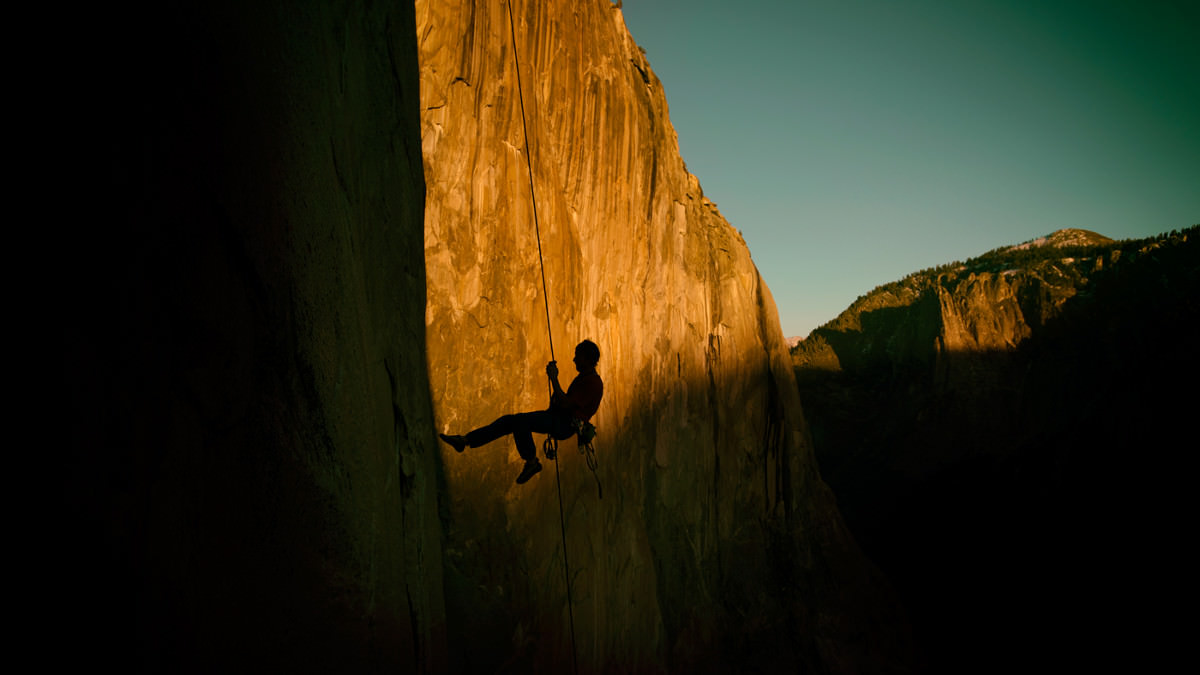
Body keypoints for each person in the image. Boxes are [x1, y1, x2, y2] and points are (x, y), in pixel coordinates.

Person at [440, 340, 603, 484]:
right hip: (559, 419)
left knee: (520, 422)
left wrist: (554, 378)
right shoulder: (584, 377)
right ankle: (466, 440)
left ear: (588, 359)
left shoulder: (593, 383)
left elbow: (567, 403)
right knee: (509, 421)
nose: (574, 359)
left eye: (578, 356)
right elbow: (567, 402)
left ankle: (531, 461)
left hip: (564, 424)